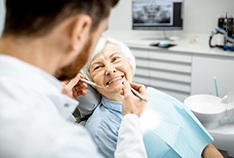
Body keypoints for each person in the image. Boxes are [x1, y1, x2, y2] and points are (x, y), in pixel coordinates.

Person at [0, 0, 149, 158]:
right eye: (99, 35)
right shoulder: (62, 144)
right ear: (80, 30)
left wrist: (57, 104)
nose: (110, 69)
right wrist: (131, 120)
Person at [80, 38, 224, 158]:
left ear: (129, 63)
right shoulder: (100, 129)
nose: (110, 70)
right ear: (91, 81)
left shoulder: (156, 96)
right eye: (98, 67)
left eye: (115, 59)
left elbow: (204, 145)